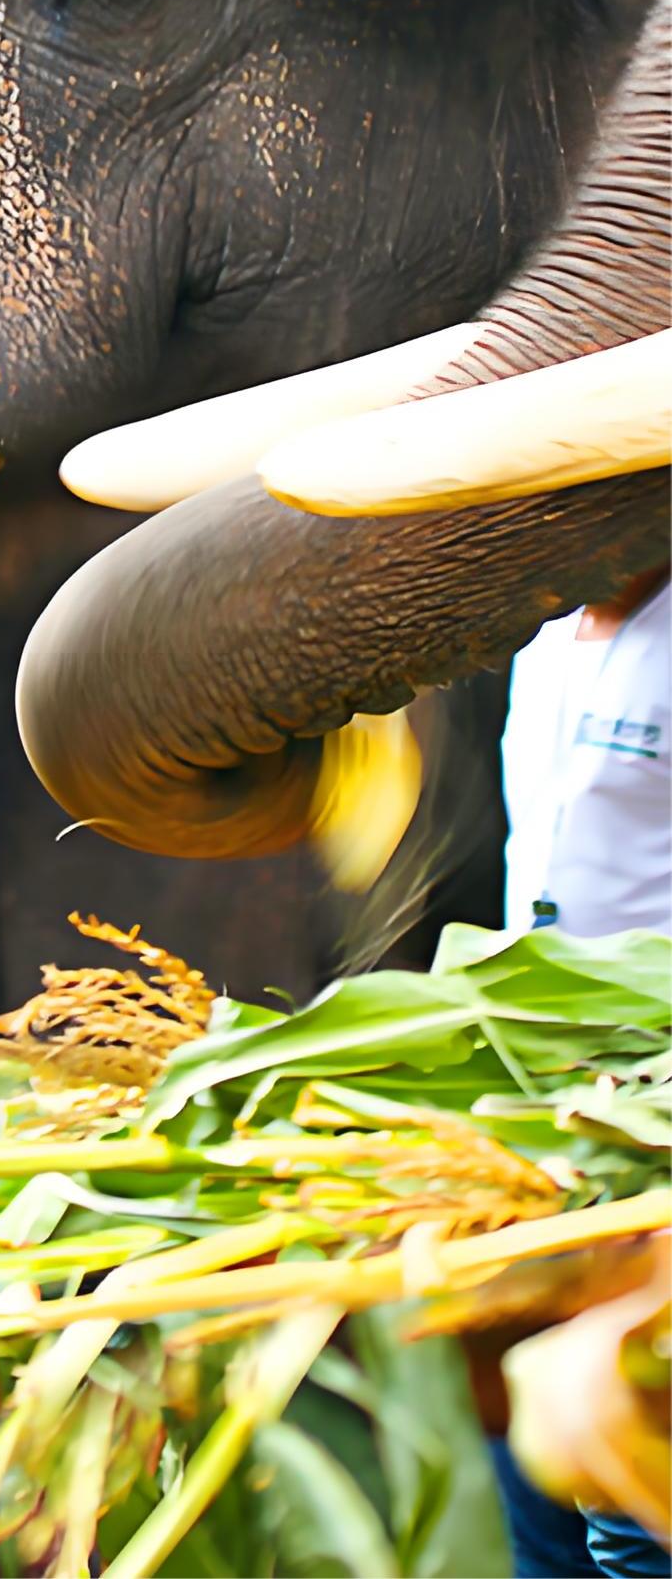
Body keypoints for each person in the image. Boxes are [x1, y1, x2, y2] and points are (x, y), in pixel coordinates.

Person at [487, 565, 670, 1579]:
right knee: (533, 1470)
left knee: (632, 1508)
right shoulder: (540, 636)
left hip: (657, 1108)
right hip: (539, 1115)